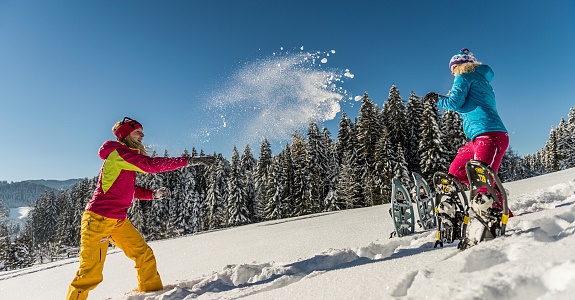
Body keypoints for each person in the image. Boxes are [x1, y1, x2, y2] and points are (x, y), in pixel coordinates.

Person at [67, 117, 213, 300]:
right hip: (98, 219)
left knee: (144, 255)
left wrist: (152, 195)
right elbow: (150, 165)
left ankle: (153, 295)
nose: (142, 134)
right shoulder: (118, 154)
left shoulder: (126, 157)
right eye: (138, 131)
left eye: (142, 131)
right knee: (90, 273)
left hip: (117, 220)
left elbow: (129, 189)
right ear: (126, 134)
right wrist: (188, 161)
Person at [425, 48, 509, 212]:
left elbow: (455, 103)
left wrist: (436, 99)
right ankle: (491, 196)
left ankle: (500, 218)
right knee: (455, 172)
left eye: (453, 67)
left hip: (489, 134)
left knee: (482, 179)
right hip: (478, 138)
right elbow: (466, 104)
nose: (452, 72)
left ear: (461, 65)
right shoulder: (482, 81)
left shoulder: (463, 76)